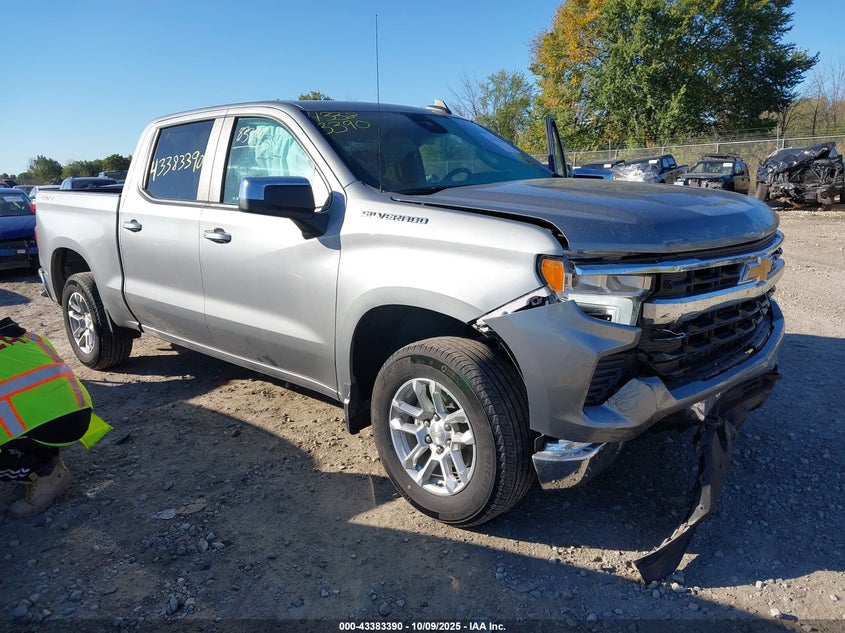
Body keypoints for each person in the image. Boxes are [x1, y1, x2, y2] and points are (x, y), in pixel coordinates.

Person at [0, 316, 111, 518]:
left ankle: (44, 473)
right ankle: (42, 455)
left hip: (49, 424)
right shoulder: (30, 338)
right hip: (76, 415)